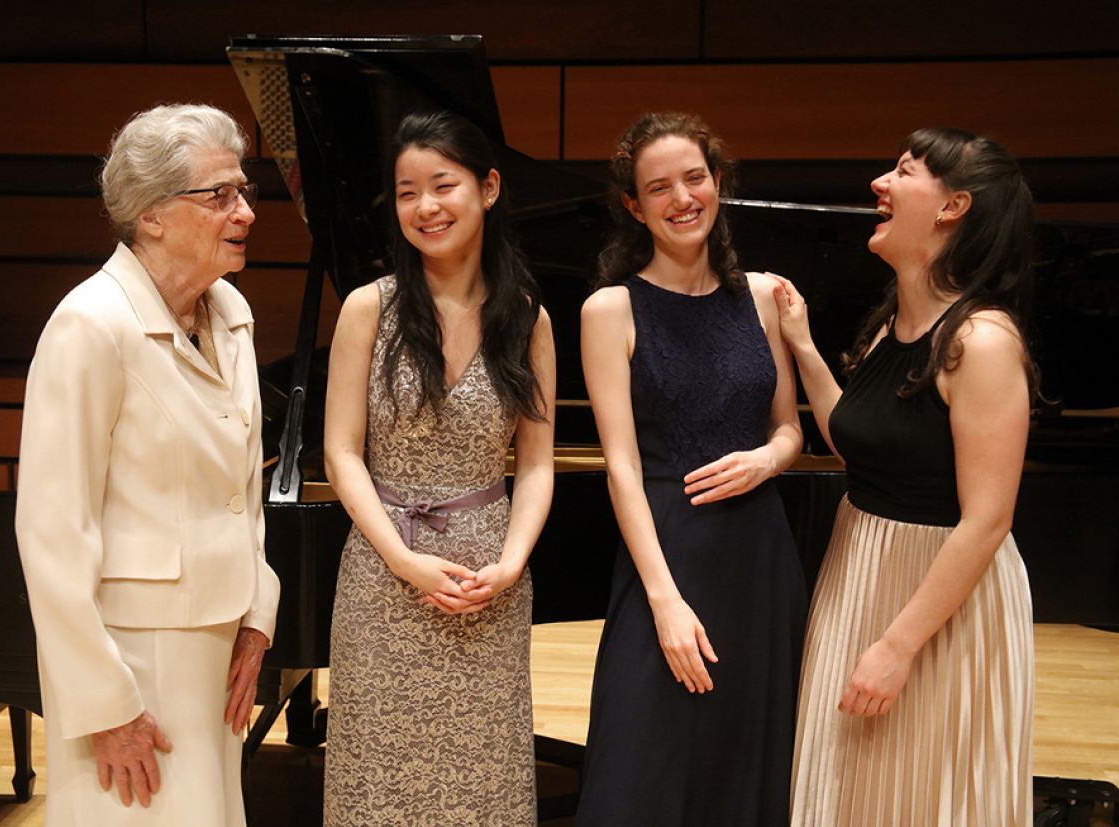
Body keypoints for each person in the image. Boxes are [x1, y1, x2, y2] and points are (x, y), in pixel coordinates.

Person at [14, 103, 279, 825]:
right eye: (219, 195)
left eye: (243, 191)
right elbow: (51, 533)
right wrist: (105, 703)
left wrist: (259, 609)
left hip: (220, 654)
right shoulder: (89, 325)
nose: (246, 213)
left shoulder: (229, 313)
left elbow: (244, 492)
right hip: (133, 663)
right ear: (152, 215)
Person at [778, 127, 1036, 826]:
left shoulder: (981, 342)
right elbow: (857, 445)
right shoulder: (889, 324)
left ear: (953, 206)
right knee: (848, 788)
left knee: (925, 790)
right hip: (858, 563)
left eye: (902, 171)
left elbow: (987, 518)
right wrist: (801, 345)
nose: (879, 185)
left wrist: (896, 646)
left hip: (934, 603)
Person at [321, 111, 555, 826]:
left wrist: (511, 562)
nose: (425, 206)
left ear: (487, 188)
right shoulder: (369, 308)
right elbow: (340, 451)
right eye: (406, 191)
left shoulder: (526, 316)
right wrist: (403, 559)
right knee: (378, 774)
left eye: (442, 185)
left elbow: (538, 465)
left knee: (483, 775)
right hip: (384, 576)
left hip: (491, 579)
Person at [575, 111, 808, 825]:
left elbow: (790, 427)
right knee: (640, 769)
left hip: (760, 558)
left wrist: (769, 458)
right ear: (633, 206)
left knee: (746, 769)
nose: (682, 198)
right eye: (659, 187)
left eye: (695, 178)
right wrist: (664, 600)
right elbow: (619, 467)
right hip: (667, 555)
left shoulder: (767, 296)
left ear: (718, 183)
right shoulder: (609, 308)